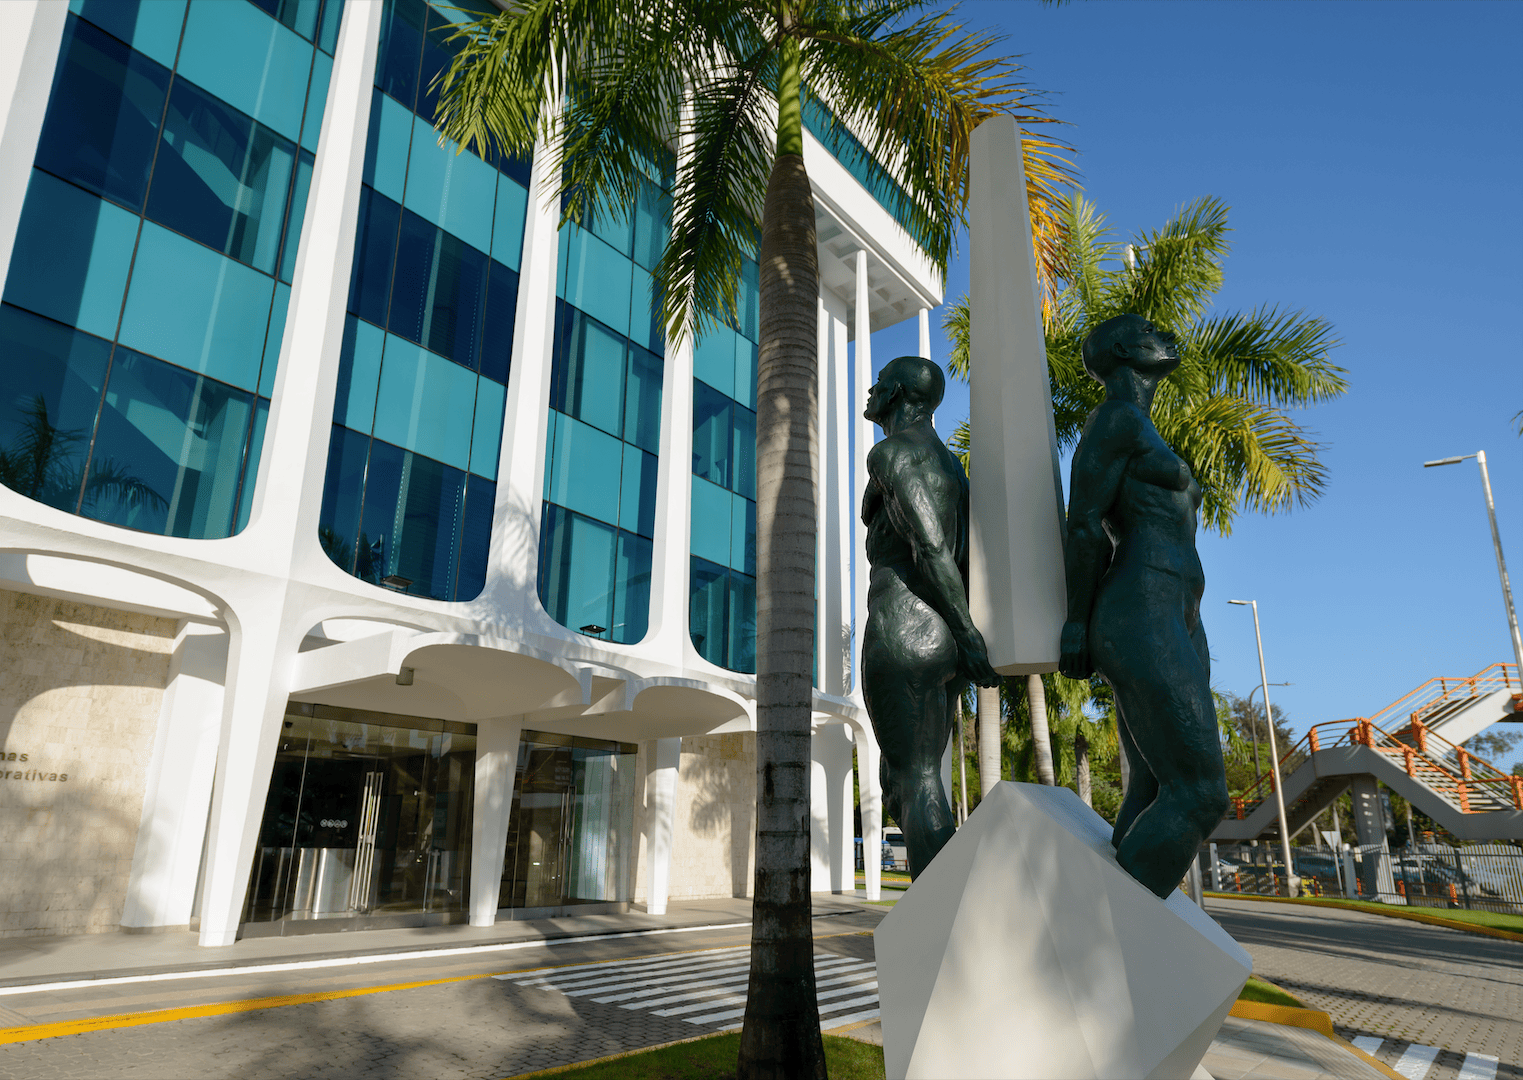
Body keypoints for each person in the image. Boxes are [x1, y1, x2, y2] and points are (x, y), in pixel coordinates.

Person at [1059, 314, 1229, 898]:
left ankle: (1115, 921)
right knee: (1201, 794)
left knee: (1154, 786)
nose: (1168, 334)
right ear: (1124, 349)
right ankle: (1107, 930)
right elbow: (1084, 522)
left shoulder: (1142, 426)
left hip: (1179, 609)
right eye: (1153, 330)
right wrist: (1076, 624)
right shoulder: (1117, 419)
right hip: (1141, 605)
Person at [861, 356, 1000, 878]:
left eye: (879, 383)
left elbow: (931, 545)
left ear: (897, 394)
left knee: (914, 780)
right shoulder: (948, 462)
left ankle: (946, 910)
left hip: (905, 626)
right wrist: (962, 637)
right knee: (903, 780)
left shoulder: (894, 452)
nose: (871, 391)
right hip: (938, 635)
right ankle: (941, 899)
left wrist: (969, 635)